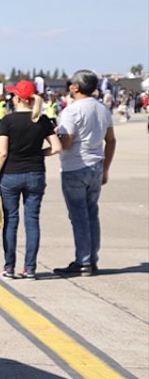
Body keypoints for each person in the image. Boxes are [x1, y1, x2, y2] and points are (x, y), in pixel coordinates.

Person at [0, 81, 61, 280]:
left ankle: (9, 267)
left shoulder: (8, 121)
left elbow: (2, 152)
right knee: (32, 221)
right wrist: (39, 153)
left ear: (18, 98)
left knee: (11, 220)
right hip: (35, 174)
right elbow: (57, 147)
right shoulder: (43, 119)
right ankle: (30, 269)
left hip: (10, 175)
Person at [54, 70, 116, 277]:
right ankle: (92, 258)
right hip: (96, 165)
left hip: (75, 166)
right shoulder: (102, 109)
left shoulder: (72, 111)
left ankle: (83, 261)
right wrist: (106, 168)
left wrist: (53, 140)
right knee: (91, 213)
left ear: (76, 87)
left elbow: (68, 141)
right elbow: (111, 140)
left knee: (78, 215)